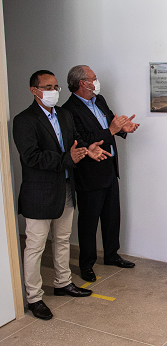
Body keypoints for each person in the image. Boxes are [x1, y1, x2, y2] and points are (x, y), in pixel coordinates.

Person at [13, 70, 111, 320]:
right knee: (34, 247)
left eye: (56, 87)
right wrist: (67, 158)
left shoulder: (65, 115)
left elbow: (75, 143)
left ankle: (62, 282)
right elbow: (31, 157)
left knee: (63, 239)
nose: (53, 92)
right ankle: (34, 298)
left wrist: (88, 150)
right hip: (40, 194)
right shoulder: (24, 120)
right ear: (34, 90)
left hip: (66, 187)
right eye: (47, 87)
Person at [62, 65, 140, 283]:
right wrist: (113, 130)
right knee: (89, 222)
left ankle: (112, 255)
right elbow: (82, 139)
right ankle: (87, 264)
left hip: (109, 169)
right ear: (81, 84)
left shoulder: (100, 100)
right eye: (93, 79)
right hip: (90, 173)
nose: (97, 82)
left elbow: (110, 125)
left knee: (112, 215)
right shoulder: (69, 110)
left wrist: (124, 128)